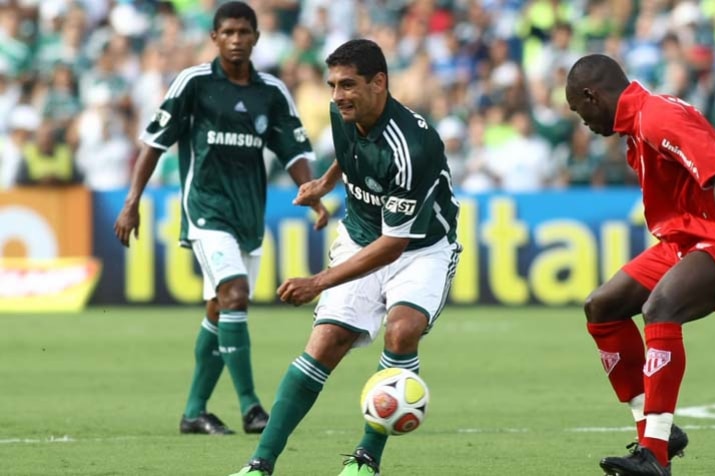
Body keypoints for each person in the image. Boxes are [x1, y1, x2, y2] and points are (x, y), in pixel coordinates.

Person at [229, 38, 461, 476]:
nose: (337, 96)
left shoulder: (413, 147)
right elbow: (350, 150)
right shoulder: (343, 113)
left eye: (348, 85)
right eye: (333, 85)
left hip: (421, 247)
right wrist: (326, 181)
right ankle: (260, 464)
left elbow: (393, 245)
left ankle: (367, 458)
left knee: (402, 329)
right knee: (325, 343)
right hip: (360, 234)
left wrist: (318, 281)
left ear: (380, 83)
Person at [114, 1, 328, 436]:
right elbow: (154, 143)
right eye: (227, 32)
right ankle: (252, 408)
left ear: (256, 37)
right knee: (235, 293)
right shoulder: (193, 83)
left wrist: (314, 195)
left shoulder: (272, 91)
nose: (235, 40)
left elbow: (294, 150)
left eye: (243, 32)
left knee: (219, 308)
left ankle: (194, 412)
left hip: (248, 216)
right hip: (205, 211)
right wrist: (131, 201)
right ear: (214, 37)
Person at [565, 54, 715, 476]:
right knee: (601, 308)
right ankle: (656, 427)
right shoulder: (640, 123)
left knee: (660, 308)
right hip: (687, 238)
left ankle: (655, 456)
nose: (583, 122)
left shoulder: (658, 117)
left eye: (579, 110)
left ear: (593, 96)